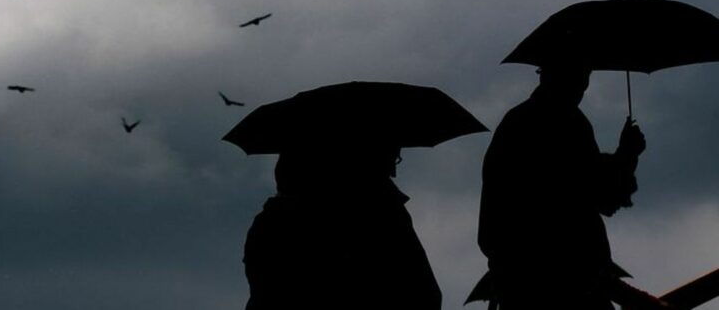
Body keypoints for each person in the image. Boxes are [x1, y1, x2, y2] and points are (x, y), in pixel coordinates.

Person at [476, 60, 668, 310]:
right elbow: (600, 194)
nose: (585, 85)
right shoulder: (567, 123)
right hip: (572, 289)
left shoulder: (515, 123)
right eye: (582, 74)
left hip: (520, 288)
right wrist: (627, 154)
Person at [243, 144, 443, 310]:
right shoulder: (378, 211)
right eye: (392, 154)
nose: (394, 168)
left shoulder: (270, 221)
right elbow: (423, 293)